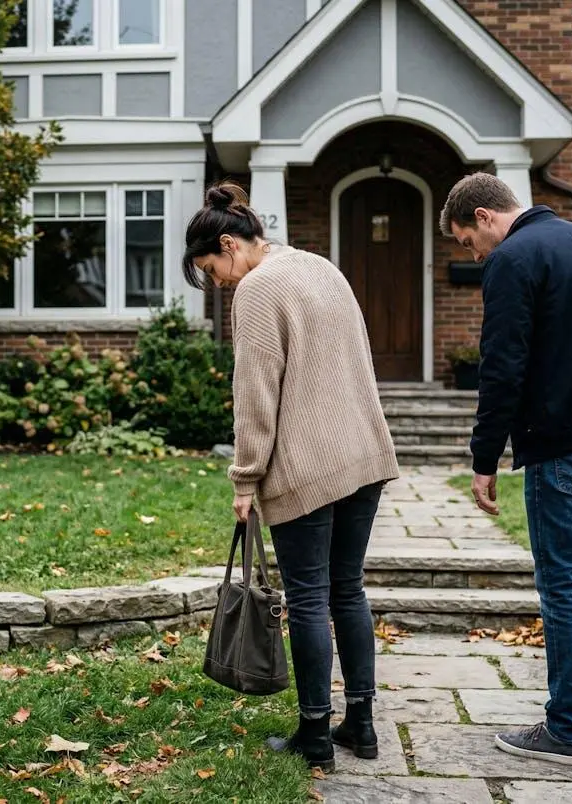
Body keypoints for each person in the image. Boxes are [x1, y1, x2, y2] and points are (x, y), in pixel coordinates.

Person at [440, 172, 572, 767]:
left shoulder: (512, 259)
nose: (474, 255)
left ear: (484, 216)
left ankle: (566, 730)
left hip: (565, 443)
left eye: (467, 242)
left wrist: (484, 456)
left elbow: (502, 365)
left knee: (564, 583)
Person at [182, 182, 400, 773]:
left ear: (230, 245)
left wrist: (245, 478)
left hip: (308, 464)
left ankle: (315, 734)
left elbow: (255, 394)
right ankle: (361, 723)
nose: (219, 284)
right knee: (347, 589)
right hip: (364, 454)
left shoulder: (257, 290)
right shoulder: (322, 268)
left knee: (306, 598)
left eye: (213, 271)